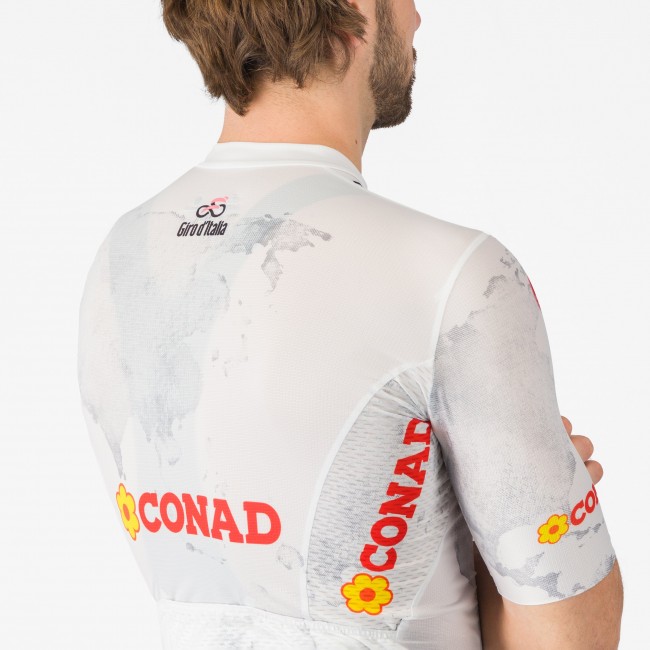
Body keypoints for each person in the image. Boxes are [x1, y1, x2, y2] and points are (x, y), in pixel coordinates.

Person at [76, 1, 623, 647]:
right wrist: (499, 543)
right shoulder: (454, 275)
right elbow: (567, 633)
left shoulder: (118, 259)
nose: (417, 17)